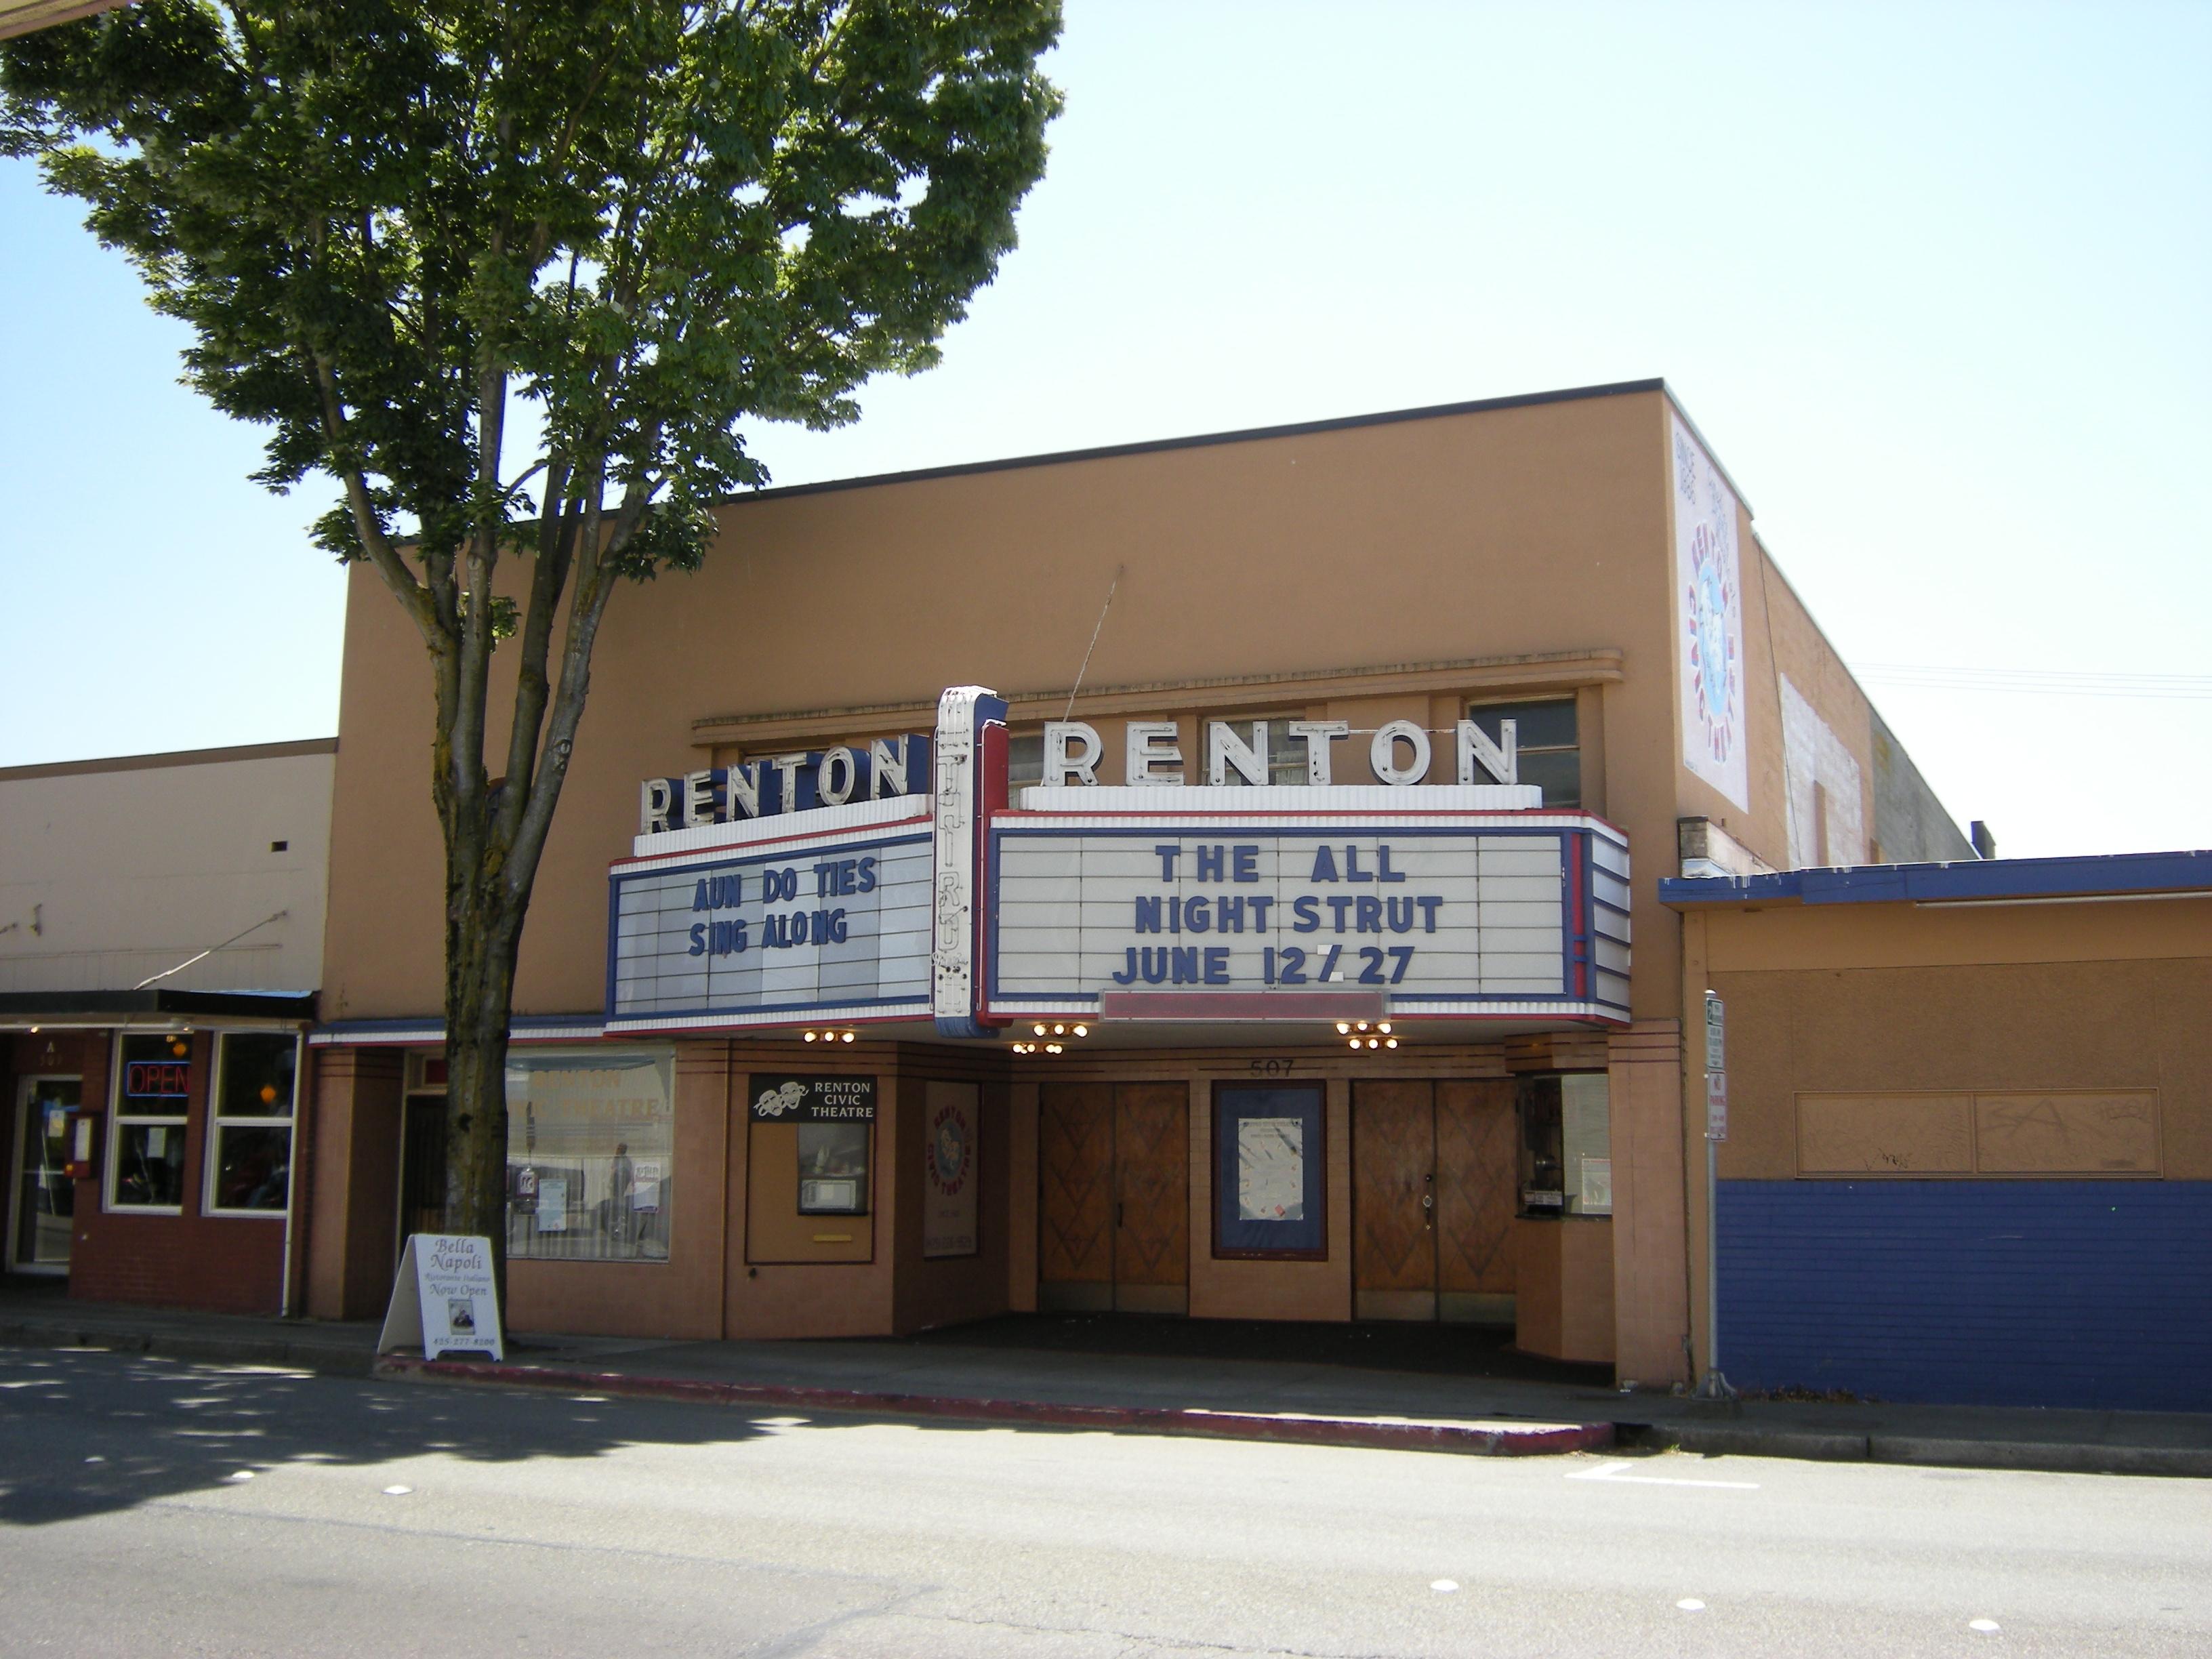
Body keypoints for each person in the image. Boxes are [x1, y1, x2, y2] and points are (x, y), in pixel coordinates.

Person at [609, 1141, 635, 1248]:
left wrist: (610, 1181)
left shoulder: (618, 1159)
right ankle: (619, 1215)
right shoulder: (627, 1160)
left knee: (616, 1198)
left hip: (619, 1180)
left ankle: (617, 1215)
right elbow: (630, 1172)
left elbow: (614, 1170)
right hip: (624, 1180)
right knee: (618, 1197)